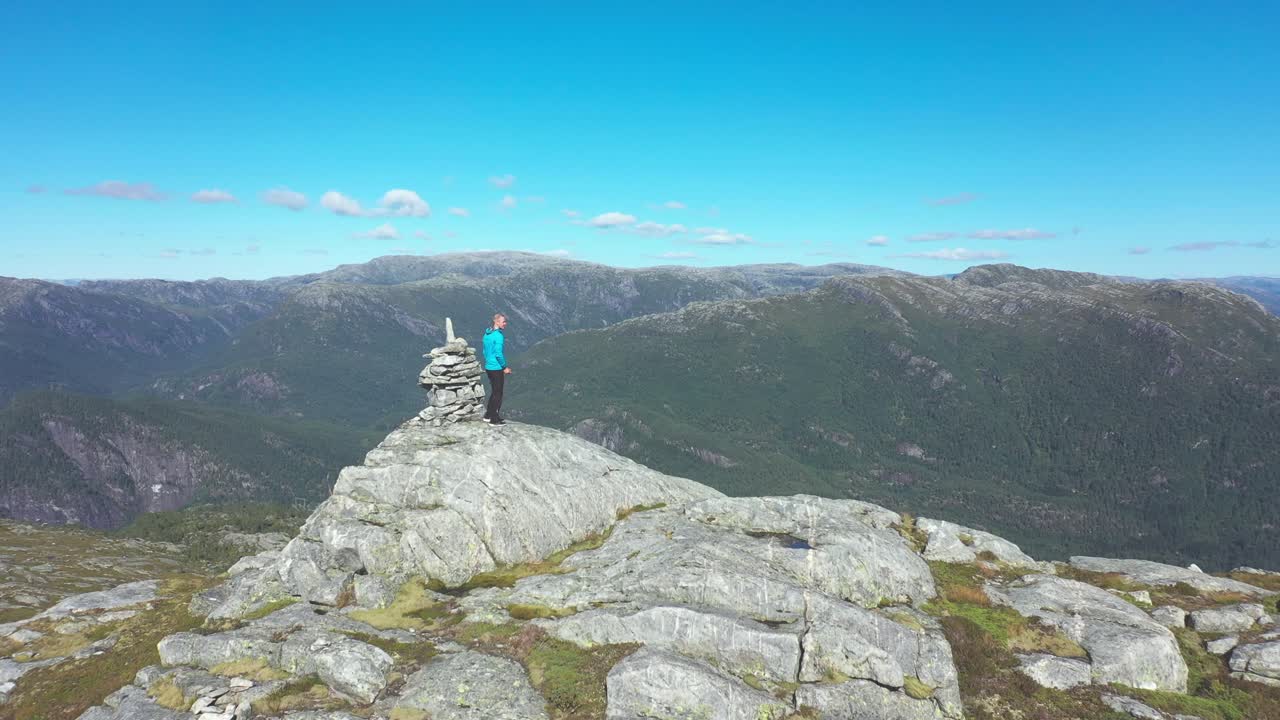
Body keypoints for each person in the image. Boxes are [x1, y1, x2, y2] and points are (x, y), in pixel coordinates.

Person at [482, 313, 511, 425]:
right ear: (497, 322)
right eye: (503, 321)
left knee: (494, 392)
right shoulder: (498, 335)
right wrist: (504, 367)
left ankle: (488, 415)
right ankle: (494, 419)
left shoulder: (487, 334)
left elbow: (484, 351)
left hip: (489, 366)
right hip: (496, 368)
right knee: (498, 393)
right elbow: (498, 353)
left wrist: (489, 360)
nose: (505, 323)